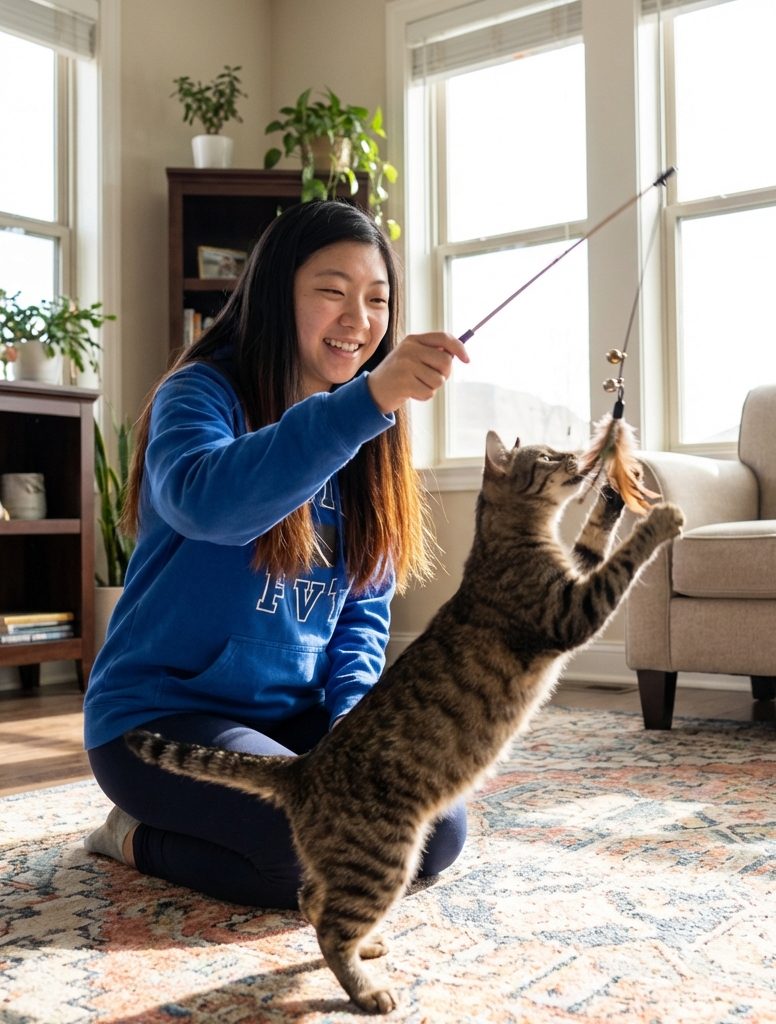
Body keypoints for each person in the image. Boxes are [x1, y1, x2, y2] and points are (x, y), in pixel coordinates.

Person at [82, 200, 471, 910]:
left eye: (377, 300)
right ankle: (133, 833)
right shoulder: (198, 394)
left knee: (434, 830)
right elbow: (211, 504)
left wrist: (357, 722)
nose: (359, 319)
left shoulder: (368, 430)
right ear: (275, 294)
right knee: (308, 856)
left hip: (292, 716)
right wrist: (369, 400)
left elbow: (362, 614)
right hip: (157, 720)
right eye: (332, 291)